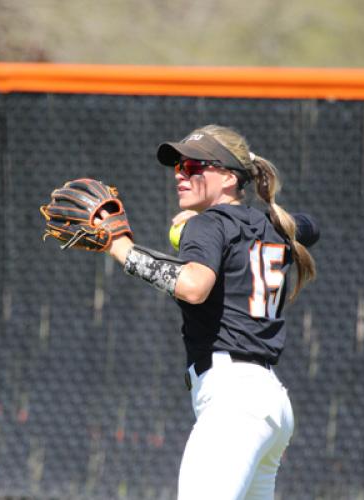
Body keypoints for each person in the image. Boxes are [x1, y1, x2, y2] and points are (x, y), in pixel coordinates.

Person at [100, 124, 319, 500]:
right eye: (179, 166)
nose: (181, 174)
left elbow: (193, 286)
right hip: (268, 403)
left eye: (195, 166)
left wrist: (119, 247)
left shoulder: (208, 225)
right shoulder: (270, 225)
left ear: (230, 177)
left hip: (235, 403)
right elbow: (309, 228)